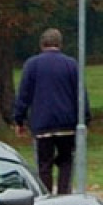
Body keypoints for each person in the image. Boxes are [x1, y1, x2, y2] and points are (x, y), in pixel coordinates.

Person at [12, 27, 90, 194]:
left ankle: (47, 197)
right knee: (66, 161)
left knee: (44, 164)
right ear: (60, 44)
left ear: (42, 44)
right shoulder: (71, 64)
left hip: (42, 124)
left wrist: (19, 119)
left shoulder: (32, 65)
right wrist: (85, 119)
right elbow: (81, 94)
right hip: (67, 123)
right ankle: (64, 194)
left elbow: (24, 94)